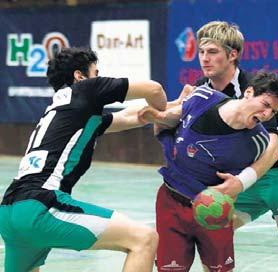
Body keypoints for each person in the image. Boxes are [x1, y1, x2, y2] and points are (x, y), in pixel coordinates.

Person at [0, 47, 168, 272]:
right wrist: (167, 114)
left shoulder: (64, 111)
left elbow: (133, 116)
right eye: (96, 72)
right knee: (144, 239)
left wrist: (185, 105)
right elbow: (153, 89)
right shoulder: (85, 89)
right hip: (41, 206)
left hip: (10, 211)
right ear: (79, 76)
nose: (99, 77)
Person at [195, 21, 278, 271]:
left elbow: (271, 148)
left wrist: (240, 182)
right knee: (210, 229)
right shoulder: (200, 91)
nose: (205, 59)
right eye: (201, 52)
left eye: (212, 52)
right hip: (248, 176)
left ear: (232, 54)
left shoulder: (255, 88)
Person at [140, 70, 278, 272]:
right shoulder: (203, 97)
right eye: (265, 105)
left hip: (215, 212)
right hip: (172, 201)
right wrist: (158, 118)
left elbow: (267, 161)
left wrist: (240, 184)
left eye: (273, 112)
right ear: (248, 92)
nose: (266, 115)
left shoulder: (258, 141)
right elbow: (172, 118)